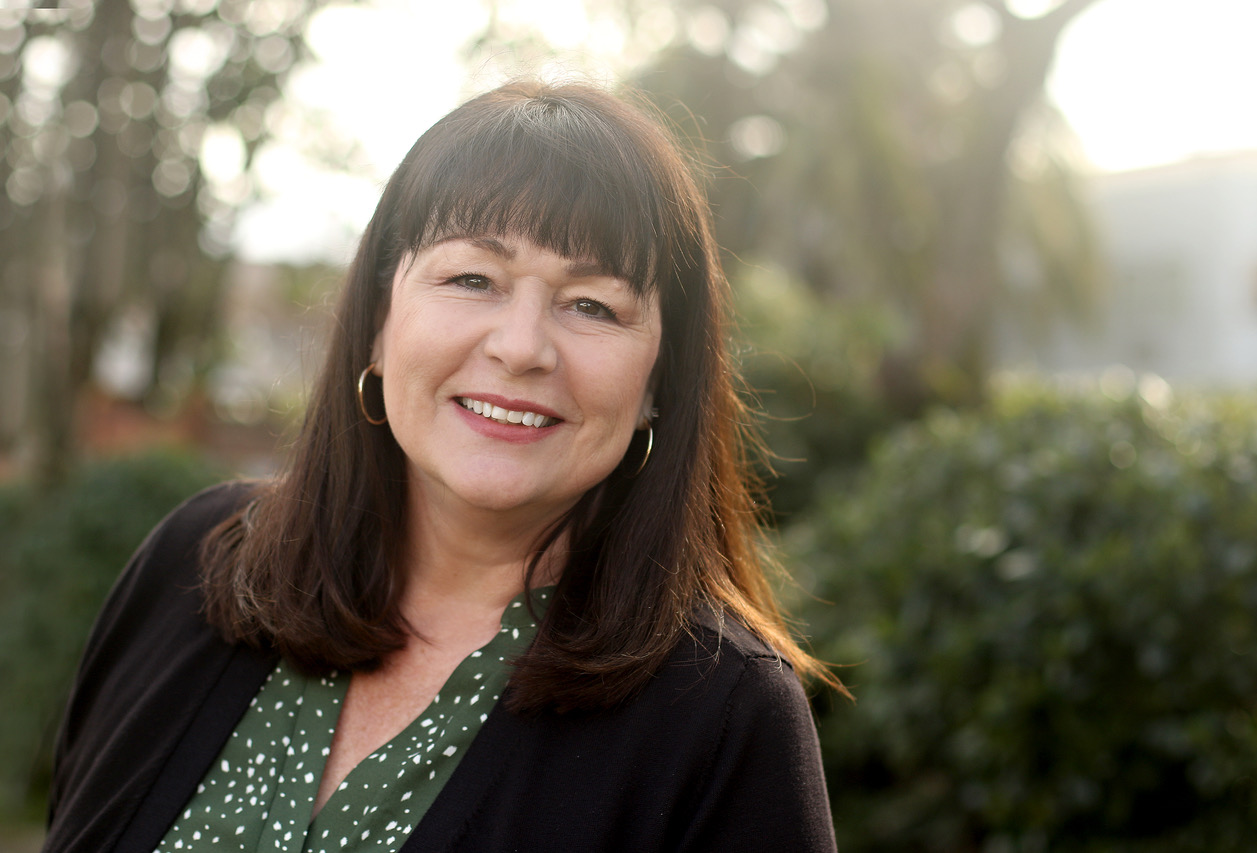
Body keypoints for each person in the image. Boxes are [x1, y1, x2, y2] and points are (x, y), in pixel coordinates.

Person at [43, 80, 842, 853]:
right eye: (472, 278)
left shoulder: (723, 718)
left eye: (592, 304)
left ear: (658, 386)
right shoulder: (196, 564)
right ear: (378, 325)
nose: (521, 346)